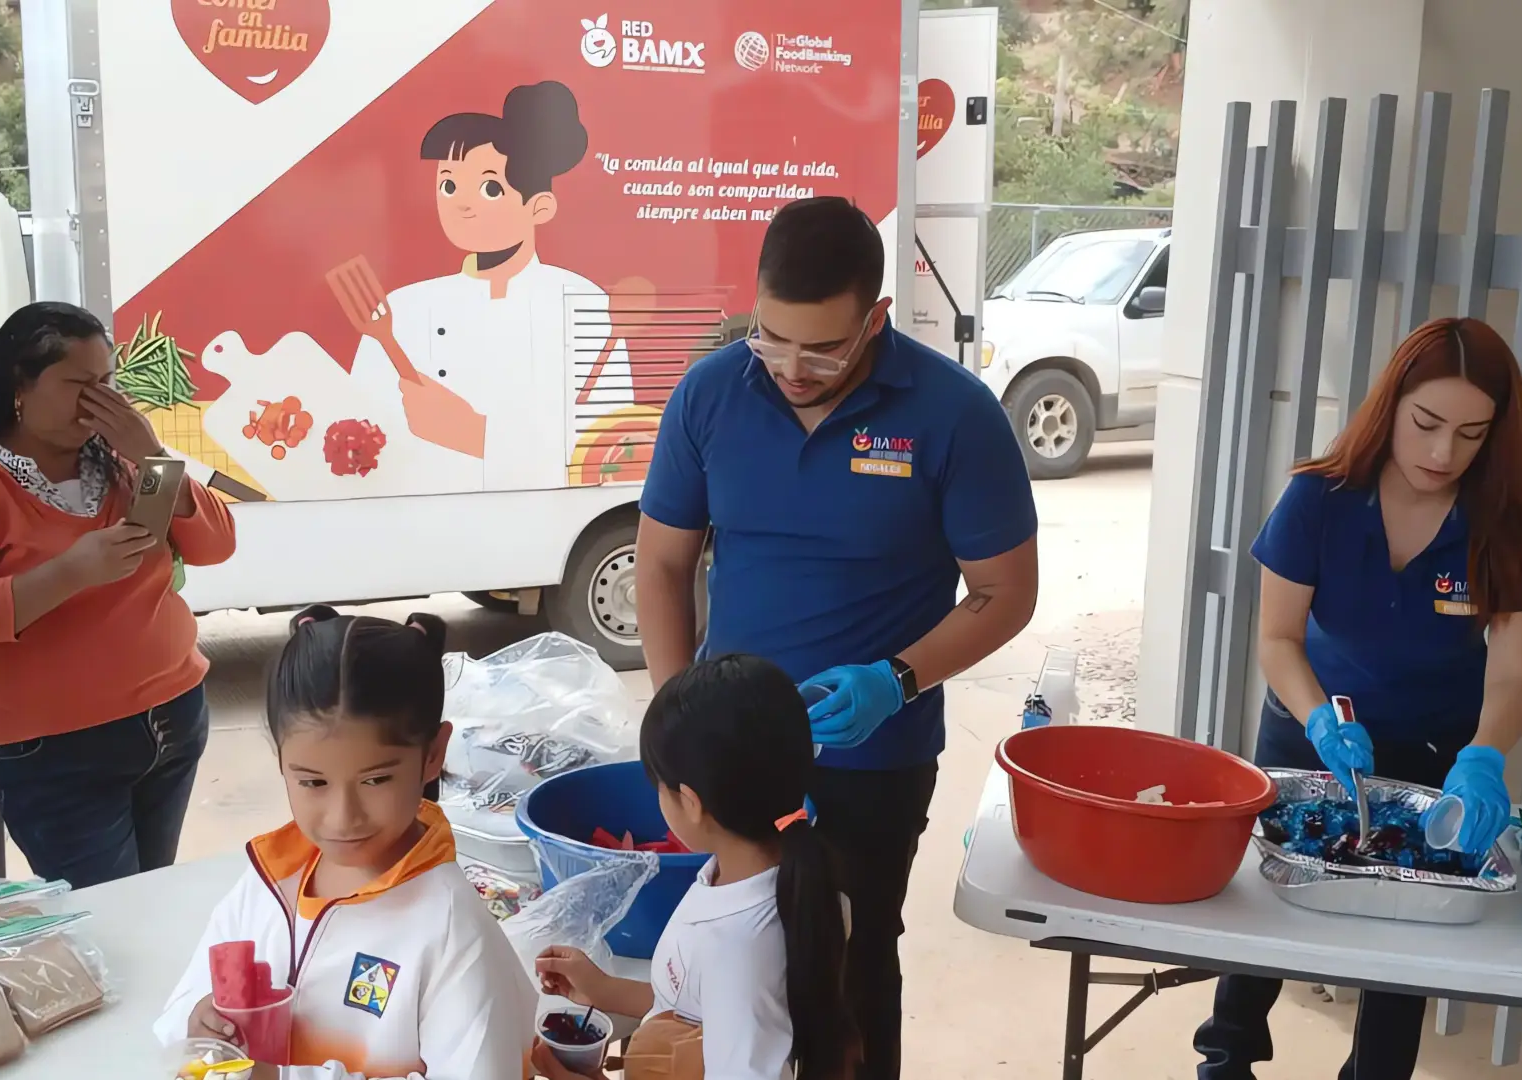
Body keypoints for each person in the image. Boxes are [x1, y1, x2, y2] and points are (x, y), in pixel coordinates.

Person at [634, 196, 1040, 1080]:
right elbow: (661, 565)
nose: (791, 367)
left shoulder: (955, 415)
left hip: (873, 756)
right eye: (771, 337)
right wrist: (675, 722)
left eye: (823, 346)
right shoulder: (711, 393)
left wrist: (896, 679)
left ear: (877, 319)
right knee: (733, 957)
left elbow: (1006, 593)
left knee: (851, 962)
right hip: (735, 750)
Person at [1193, 316, 1522, 1080]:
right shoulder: (1318, 498)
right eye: (1425, 424)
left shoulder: (1506, 527)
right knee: (1266, 916)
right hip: (1311, 733)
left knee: (1406, 943)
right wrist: (1319, 716)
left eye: (1470, 434)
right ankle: (1225, 1060)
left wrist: (1484, 756)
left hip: (1437, 758)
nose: (1440, 453)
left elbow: (1515, 672)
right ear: (1390, 404)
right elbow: (1278, 641)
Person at [0, 301, 236, 888]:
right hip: (57, 751)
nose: (97, 402)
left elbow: (212, 542)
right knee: (109, 922)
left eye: (106, 384)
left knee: (149, 899)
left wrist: (152, 455)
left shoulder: (117, 463)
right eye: (78, 385)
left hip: (172, 717)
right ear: (20, 385)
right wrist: (71, 570)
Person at [156, 606, 535, 1078]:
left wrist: (277, 1075)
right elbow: (182, 1013)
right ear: (281, 760)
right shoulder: (268, 881)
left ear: (433, 754)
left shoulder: (449, 928)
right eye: (313, 783)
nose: (343, 817)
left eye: (376, 780)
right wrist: (199, 1026)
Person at [528, 653, 858, 1080]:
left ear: (690, 802)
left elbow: (735, 1023)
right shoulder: (746, 877)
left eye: (658, 786)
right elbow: (697, 1008)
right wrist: (605, 989)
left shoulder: (740, 948)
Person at [337, 80, 630, 495]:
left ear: (539, 206)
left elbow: (611, 452)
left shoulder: (581, 303)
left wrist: (476, 435)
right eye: (448, 185)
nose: (461, 203)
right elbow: (358, 434)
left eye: (490, 188)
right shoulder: (402, 309)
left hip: (545, 519)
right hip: (412, 518)